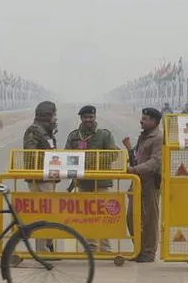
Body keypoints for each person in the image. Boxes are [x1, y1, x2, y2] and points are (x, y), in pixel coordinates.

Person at [64, 105, 119, 253]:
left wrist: (93, 158)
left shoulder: (104, 135)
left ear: (95, 117)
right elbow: (67, 156)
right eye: (86, 117)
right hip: (82, 182)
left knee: (103, 216)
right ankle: (91, 247)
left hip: (101, 181)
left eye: (91, 117)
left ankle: (105, 248)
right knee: (87, 216)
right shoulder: (74, 136)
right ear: (81, 118)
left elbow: (113, 155)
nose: (88, 120)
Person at [126, 107, 163, 263]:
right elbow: (138, 155)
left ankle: (148, 252)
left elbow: (155, 162)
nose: (141, 121)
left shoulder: (158, 138)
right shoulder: (144, 136)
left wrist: (133, 169)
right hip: (138, 180)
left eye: (145, 119)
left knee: (150, 219)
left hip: (150, 182)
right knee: (131, 217)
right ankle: (139, 248)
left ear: (154, 121)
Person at [23, 100, 59, 252]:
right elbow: (31, 156)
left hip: (47, 178)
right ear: (47, 115)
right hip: (39, 179)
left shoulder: (46, 130)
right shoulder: (34, 131)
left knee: (49, 214)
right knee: (41, 215)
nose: (56, 118)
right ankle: (41, 251)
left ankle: (48, 245)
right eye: (54, 115)